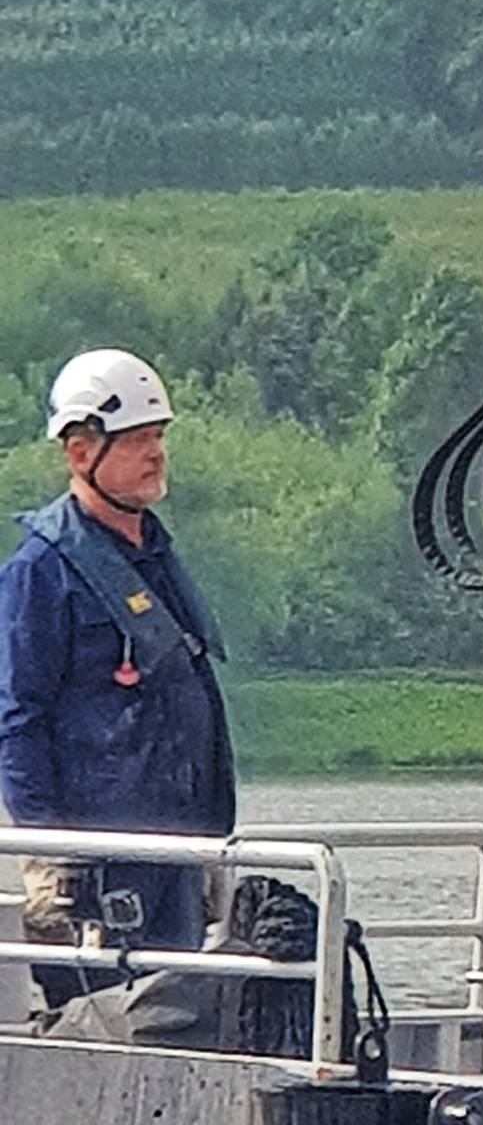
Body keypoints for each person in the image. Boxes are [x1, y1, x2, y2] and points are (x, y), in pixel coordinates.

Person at [1, 349, 237, 1005]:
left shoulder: (156, 556)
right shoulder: (41, 574)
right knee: (94, 1023)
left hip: (179, 857)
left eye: (158, 437)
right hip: (97, 867)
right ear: (81, 453)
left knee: (180, 1022)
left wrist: (213, 846)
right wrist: (49, 857)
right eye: (137, 441)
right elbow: (18, 720)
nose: (156, 453)